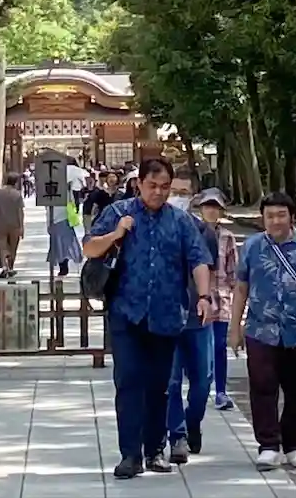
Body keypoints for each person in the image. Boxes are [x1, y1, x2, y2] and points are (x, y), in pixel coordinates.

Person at [84, 157, 213, 481]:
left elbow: (198, 259)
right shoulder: (118, 212)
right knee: (129, 381)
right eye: (152, 186)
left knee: (160, 385)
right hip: (126, 312)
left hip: (166, 314)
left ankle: (155, 449)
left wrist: (203, 296)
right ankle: (130, 454)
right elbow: (89, 249)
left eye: (164, 187)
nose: (158, 192)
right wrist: (116, 234)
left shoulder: (181, 221)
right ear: (138, 184)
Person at [229, 190, 296, 471]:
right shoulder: (252, 247)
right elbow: (241, 288)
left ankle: (295, 445)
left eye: (281, 215)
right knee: (262, 387)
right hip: (260, 329)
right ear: (262, 218)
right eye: (270, 216)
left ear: (292, 217)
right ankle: (268, 446)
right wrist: (234, 327)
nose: (275, 221)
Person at [164, 170, 217, 463]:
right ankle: (178, 435)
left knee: (203, 379)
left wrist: (208, 301)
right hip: (166, 317)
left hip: (198, 316)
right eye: (174, 191)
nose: (178, 198)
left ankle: (192, 420)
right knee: (171, 381)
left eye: (184, 193)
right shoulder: (155, 228)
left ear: (193, 197)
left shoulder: (203, 231)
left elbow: (211, 270)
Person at [194, 188, 240, 411]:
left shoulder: (227, 237)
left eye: (215, 207)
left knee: (219, 345)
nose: (211, 211)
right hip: (198, 298)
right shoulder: (192, 233)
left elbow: (234, 272)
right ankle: (200, 387)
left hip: (221, 298)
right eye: (207, 206)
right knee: (200, 346)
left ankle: (221, 390)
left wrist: (237, 300)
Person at [0, 172, 26, 276]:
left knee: (2, 247)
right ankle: (11, 267)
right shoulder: (17, 194)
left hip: (1, 223)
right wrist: (21, 227)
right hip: (14, 224)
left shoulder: (0, 193)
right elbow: (20, 211)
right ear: (16, 182)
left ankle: (4, 266)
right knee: (13, 247)